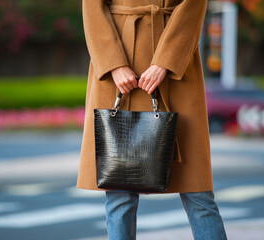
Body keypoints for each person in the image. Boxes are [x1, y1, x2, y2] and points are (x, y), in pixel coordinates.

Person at [77, 0, 228, 239]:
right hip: (120, 63)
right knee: (120, 193)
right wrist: (114, 65)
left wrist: (165, 62)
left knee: (199, 193)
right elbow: (93, 7)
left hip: (177, 68)